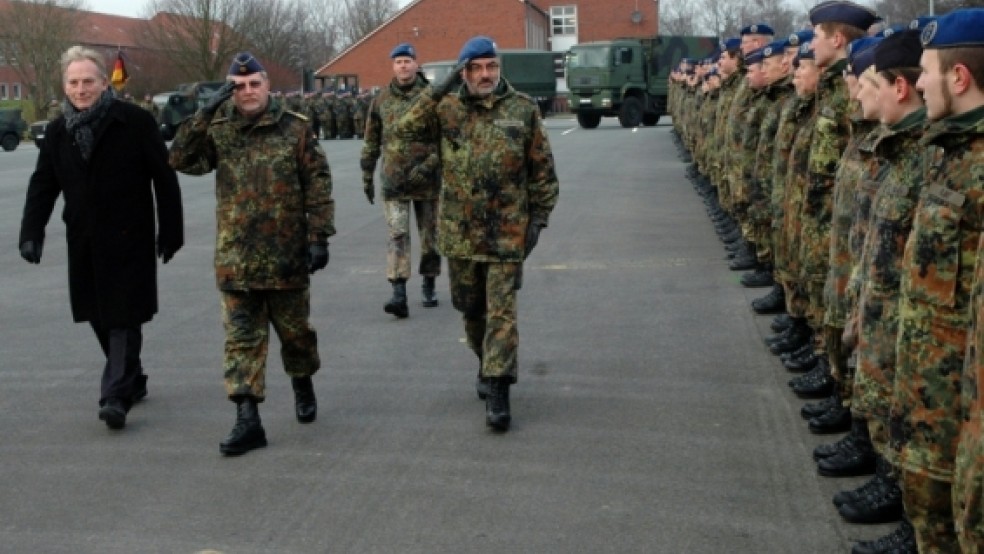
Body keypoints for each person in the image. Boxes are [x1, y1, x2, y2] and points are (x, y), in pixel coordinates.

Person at [168, 52, 335, 456]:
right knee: (241, 340)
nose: (247, 93)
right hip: (237, 257)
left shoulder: (294, 129)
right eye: (238, 86)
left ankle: (302, 380)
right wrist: (203, 113)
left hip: (286, 257)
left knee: (296, 337)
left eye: (253, 84)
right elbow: (180, 159)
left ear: (266, 85)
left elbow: (317, 182)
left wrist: (319, 236)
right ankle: (247, 418)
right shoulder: (220, 130)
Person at [397, 36, 559, 432]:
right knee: (471, 311)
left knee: (502, 314)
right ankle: (484, 365)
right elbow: (406, 128)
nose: (486, 75)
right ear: (464, 71)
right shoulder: (447, 108)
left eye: (491, 66)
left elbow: (542, 170)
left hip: (506, 232)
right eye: (477, 68)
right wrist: (442, 86)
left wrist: (538, 219)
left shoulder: (521, 109)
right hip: (460, 234)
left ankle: (500, 388)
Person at [18, 45, 184, 430]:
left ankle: (114, 395)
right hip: (84, 239)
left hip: (130, 237)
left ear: (103, 81)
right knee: (98, 316)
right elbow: (43, 183)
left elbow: (164, 176)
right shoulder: (58, 130)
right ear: (64, 85)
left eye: (88, 81)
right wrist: (31, 231)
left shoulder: (134, 121)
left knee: (123, 316)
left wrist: (171, 229)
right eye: (73, 82)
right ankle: (133, 376)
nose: (80, 89)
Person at [886, 9, 984, 552]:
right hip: (931, 388)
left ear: (960, 78)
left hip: (956, 401)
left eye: (926, 71)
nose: (918, 82)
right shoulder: (947, 151)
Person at [360, 42, 442, 318]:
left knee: (430, 238)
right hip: (394, 180)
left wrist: (431, 164)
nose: (403, 66)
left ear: (416, 64)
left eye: (407, 61)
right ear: (392, 66)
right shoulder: (382, 99)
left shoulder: (432, 97)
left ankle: (429, 282)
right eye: (398, 62)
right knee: (397, 236)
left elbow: (446, 139)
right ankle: (398, 292)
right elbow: (371, 140)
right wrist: (367, 175)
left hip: (427, 181)